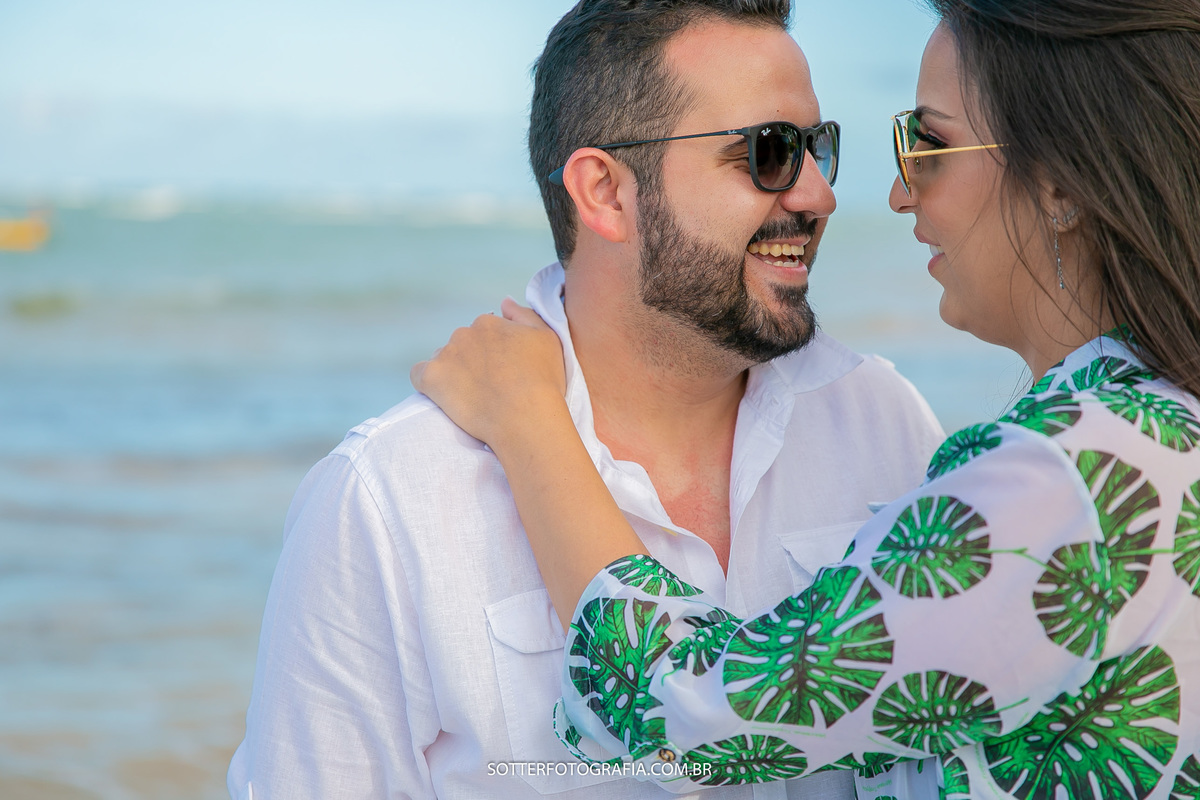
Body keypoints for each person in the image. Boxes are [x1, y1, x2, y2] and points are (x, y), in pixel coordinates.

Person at [410, 0, 1200, 798]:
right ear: (604, 192)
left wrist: (529, 420)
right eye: (770, 152)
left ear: (1060, 183)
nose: (891, 193)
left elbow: (683, 709)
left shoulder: (1061, 479)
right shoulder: (1155, 435)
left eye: (929, 144)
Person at [227, 1, 946, 797]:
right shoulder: (389, 496)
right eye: (770, 152)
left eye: (817, 148)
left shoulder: (884, 424)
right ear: (605, 192)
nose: (818, 195)